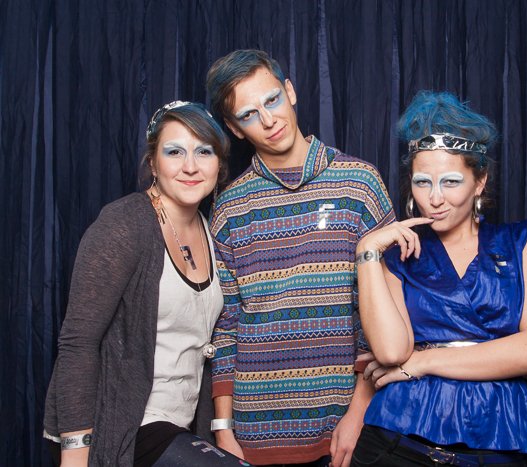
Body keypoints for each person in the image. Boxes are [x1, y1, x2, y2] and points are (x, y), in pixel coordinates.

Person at [206, 49, 396, 466]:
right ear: (235, 129)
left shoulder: (360, 183)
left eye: (272, 100)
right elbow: (227, 325)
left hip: (346, 426)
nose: (269, 120)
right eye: (249, 114)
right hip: (255, 434)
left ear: (290, 92)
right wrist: (223, 429)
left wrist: (360, 411)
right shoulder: (230, 208)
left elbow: (387, 309)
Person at [351, 91, 527, 466]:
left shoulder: (523, 243)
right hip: (398, 443)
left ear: (480, 182)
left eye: (450, 182)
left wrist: (423, 361)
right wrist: (366, 251)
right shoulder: (397, 257)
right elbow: (392, 353)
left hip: (499, 440)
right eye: (422, 182)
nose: (434, 198)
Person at [43, 101, 251, 466]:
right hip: (120, 426)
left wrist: (222, 429)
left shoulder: (211, 230)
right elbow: (78, 343)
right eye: (175, 152)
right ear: (153, 163)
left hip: (179, 427)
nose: (190, 166)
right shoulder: (124, 224)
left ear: (219, 164)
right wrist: (75, 456)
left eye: (204, 151)